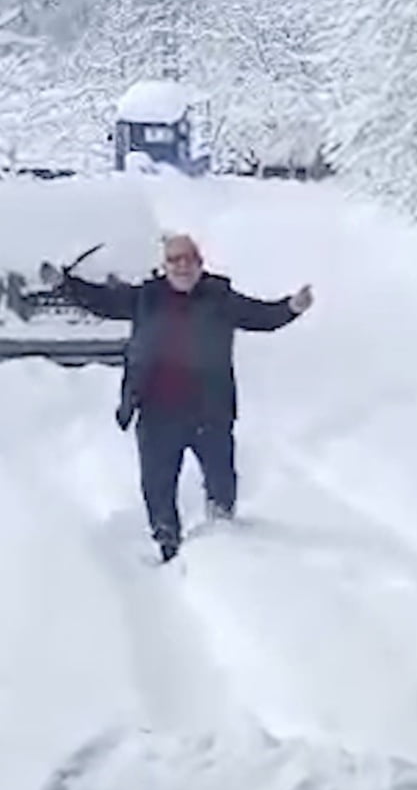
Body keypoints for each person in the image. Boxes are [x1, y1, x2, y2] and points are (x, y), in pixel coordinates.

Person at [40, 234, 313, 561]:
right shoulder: (146, 297)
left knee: (221, 479)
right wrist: (64, 284)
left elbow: (260, 316)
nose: (182, 266)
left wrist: (291, 307)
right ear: (164, 266)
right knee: (157, 485)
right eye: (175, 260)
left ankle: (223, 540)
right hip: (157, 412)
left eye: (188, 259)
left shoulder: (219, 297)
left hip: (209, 411)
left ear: (200, 264)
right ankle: (168, 545)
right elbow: (102, 301)